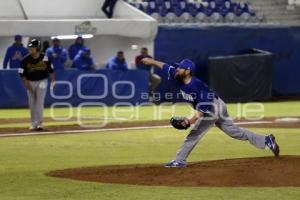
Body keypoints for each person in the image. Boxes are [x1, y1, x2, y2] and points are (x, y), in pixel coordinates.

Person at [142, 57, 280, 168]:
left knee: (194, 133)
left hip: (213, 107)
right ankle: (265, 140)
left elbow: (203, 110)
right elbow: (165, 66)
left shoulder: (195, 85)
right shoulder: (176, 74)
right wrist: (151, 61)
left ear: (188, 71)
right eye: (178, 67)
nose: (177, 69)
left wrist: (188, 121)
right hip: (217, 104)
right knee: (233, 131)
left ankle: (179, 160)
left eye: (181, 68)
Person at [18, 39, 55, 131]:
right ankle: (33, 123)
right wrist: (27, 85)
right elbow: (22, 74)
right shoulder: (25, 60)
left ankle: (39, 123)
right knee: (32, 103)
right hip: (30, 81)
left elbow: (51, 70)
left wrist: (53, 80)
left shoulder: (45, 58)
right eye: (29, 48)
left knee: (39, 102)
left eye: (32, 48)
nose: (30, 49)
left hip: (42, 81)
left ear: (38, 48)